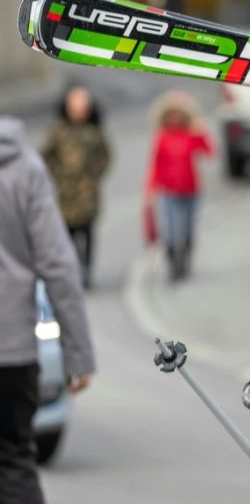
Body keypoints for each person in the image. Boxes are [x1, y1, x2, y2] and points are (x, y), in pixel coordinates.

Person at [0, 115, 96, 504]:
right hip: (12, 351)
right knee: (13, 464)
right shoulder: (23, 167)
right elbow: (57, 263)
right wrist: (78, 355)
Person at [41, 86, 111, 289]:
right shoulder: (58, 130)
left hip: (88, 193)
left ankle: (86, 270)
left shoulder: (94, 131)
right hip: (66, 194)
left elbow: (105, 156)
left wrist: (95, 174)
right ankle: (70, 272)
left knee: (87, 235)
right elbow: (46, 155)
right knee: (66, 237)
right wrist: (57, 175)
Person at [144, 90, 214, 281]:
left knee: (188, 229)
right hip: (169, 190)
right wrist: (149, 191)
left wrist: (201, 131)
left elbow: (209, 151)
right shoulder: (162, 137)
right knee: (172, 230)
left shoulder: (190, 135)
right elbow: (155, 165)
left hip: (190, 190)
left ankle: (186, 260)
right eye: (171, 115)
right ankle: (174, 265)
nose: (174, 118)